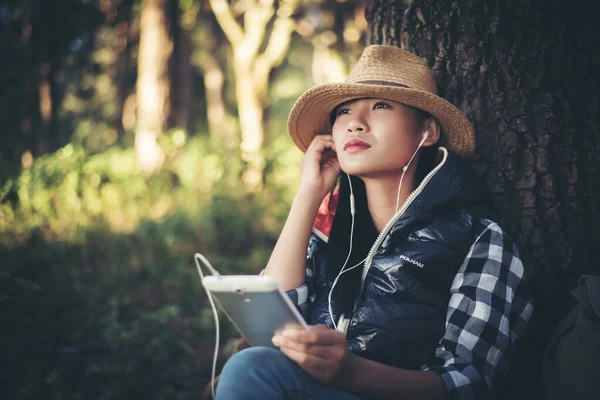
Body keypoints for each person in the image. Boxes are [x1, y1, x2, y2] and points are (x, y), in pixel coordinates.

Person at [215, 45, 534, 400]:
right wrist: (309, 193)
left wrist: (353, 372)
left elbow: (471, 383)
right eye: (344, 111)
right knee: (252, 367)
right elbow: (273, 323)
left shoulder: (478, 238)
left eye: (381, 106)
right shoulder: (327, 230)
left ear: (426, 132)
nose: (355, 121)